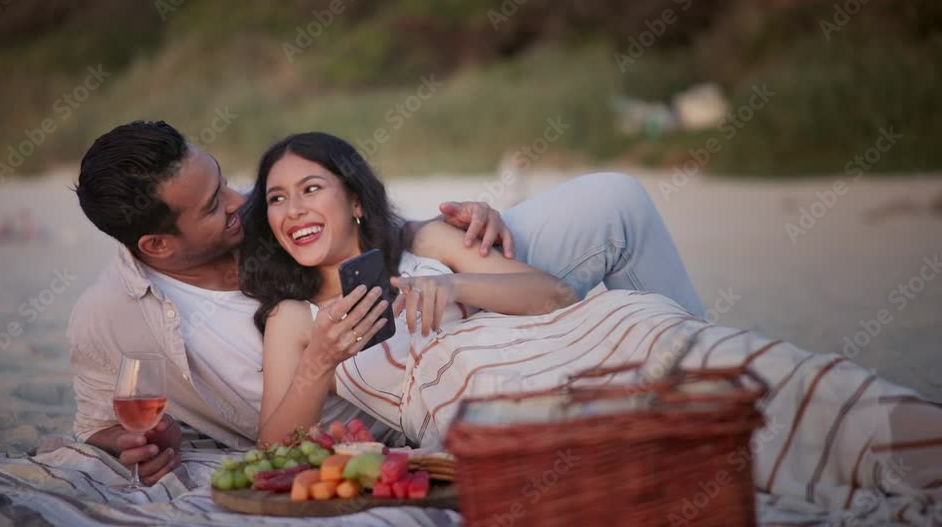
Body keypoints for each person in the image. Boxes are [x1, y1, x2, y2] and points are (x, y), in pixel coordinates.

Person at [242, 131, 941, 513]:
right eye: (277, 198)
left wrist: (456, 287)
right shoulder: (296, 318)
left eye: (311, 188)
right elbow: (271, 441)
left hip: (596, 335)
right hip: (497, 409)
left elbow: (551, 296)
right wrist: (318, 364)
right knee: (683, 450)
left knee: (772, 375)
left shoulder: (421, 242)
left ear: (355, 201)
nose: (294, 209)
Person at [68, 121, 704, 484]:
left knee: (615, 204)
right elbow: (99, 424)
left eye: (224, 179)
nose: (243, 202)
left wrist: (460, 227)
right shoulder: (109, 319)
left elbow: (347, 210)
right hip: (396, 392)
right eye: (213, 207)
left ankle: (716, 393)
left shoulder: (268, 211)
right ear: (157, 243)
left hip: (430, 285)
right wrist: (130, 442)